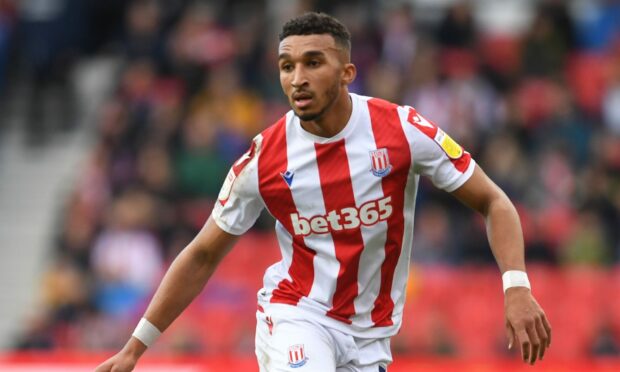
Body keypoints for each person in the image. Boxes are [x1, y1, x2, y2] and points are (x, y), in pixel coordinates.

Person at [96, 12, 551, 372]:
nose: (297, 78)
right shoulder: (264, 158)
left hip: (371, 337)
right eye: (287, 66)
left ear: (347, 71)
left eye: (313, 62)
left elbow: (493, 201)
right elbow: (201, 254)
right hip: (298, 315)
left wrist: (516, 287)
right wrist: (136, 348)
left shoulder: (401, 130)